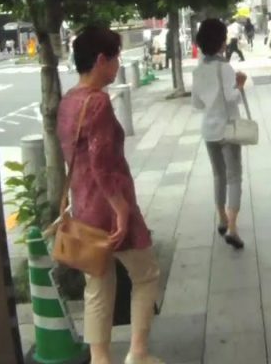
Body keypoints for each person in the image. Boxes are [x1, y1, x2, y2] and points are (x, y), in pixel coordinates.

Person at [57, 27, 163, 364]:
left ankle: (100, 359)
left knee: (98, 286)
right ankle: (138, 353)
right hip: (112, 205)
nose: (118, 64)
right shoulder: (98, 101)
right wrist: (121, 210)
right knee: (146, 275)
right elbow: (103, 164)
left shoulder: (68, 101)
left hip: (85, 206)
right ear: (101, 60)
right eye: (115, 58)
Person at [191, 18, 249, 250]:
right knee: (234, 176)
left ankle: (222, 219)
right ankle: (233, 228)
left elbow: (196, 103)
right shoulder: (224, 67)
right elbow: (232, 97)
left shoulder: (198, 69)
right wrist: (240, 83)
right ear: (220, 41)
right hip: (228, 128)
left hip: (209, 129)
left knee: (218, 175)